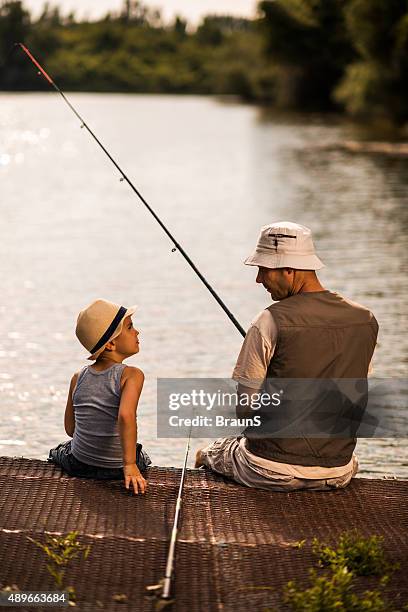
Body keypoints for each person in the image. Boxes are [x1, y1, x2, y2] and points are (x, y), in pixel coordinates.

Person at [195, 221, 379, 491]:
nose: (259, 279)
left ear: (289, 270)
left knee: (209, 451)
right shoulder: (366, 320)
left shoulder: (269, 320)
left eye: (263, 270)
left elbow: (245, 412)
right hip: (337, 471)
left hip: (268, 470)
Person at [48, 299, 151, 495]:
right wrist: (129, 464)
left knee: (59, 450)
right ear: (111, 343)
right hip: (118, 469)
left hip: (80, 465)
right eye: (130, 327)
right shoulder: (132, 375)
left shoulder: (77, 377)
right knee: (141, 455)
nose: (137, 332)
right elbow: (125, 416)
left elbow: (71, 430)